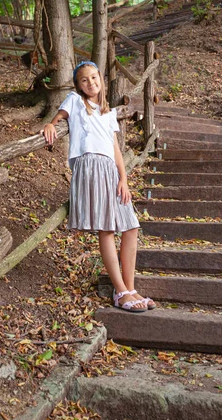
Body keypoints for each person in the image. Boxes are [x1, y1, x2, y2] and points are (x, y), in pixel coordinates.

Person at [43, 60, 155, 313]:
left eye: (94, 78)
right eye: (85, 80)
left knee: (131, 227)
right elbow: (59, 117)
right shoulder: (75, 101)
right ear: (78, 85)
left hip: (111, 171)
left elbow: (115, 148)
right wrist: (51, 124)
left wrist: (123, 179)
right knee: (107, 228)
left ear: (101, 80)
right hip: (90, 165)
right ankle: (121, 291)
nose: (91, 83)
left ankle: (129, 287)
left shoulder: (108, 113)